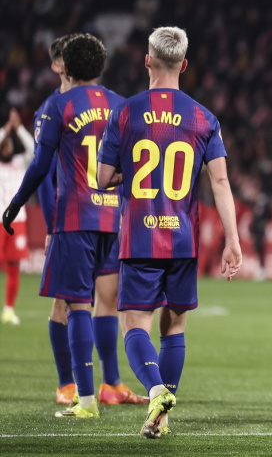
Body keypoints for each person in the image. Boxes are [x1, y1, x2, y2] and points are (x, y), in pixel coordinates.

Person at [97, 26, 242, 438]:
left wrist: (128, 171)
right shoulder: (203, 117)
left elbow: (103, 176)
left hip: (140, 236)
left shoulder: (125, 112)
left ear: (147, 60)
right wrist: (232, 240)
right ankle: (161, 415)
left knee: (134, 325)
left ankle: (156, 390)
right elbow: (220, 184)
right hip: (182, 237)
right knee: (174, 327)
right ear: (185, 65)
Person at [2, 33, 126, 419]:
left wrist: (13, 206)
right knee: (106, 302)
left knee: (76, 306)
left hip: (75, 218)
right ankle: (101, 386)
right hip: (114, 217)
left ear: (65, 67)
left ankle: (84, 400)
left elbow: (40, 167)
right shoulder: (122, 105)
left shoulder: (58, 106)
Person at [0, 109, 34, 325]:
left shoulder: (20, 163)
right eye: (4, 144)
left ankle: (9, 310)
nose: (7, 147)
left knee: (14, 267)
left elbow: (33, 147)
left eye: (9, 143)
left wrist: (18, 127)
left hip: (17, 221)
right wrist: (6, 129)